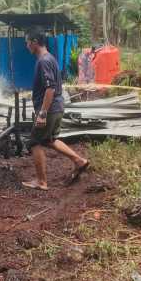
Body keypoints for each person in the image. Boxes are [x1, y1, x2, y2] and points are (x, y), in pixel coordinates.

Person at [22, 29, 89, 190]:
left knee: (33, 143)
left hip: (50, 109)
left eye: (27, 42)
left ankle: (41, 182)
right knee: (49, 140)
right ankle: (79, 161)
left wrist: (42, 113)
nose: (26, 46)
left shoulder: (43, 61)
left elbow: (50, 88)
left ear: (35, 42)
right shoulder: (50, 58)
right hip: (57, 107)